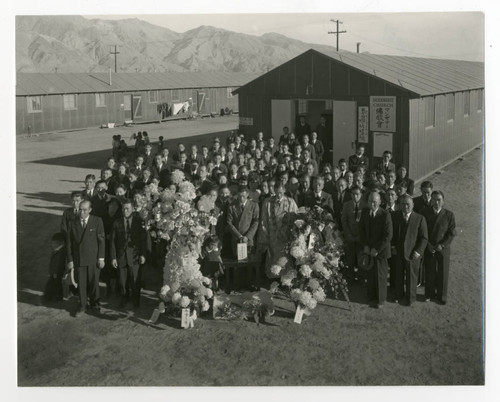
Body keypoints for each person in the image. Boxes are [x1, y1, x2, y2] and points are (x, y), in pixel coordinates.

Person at [66, 200, 106, 315]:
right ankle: (82, 305)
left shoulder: (97, 221)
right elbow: (69, 244)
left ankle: (95, 305)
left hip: (93, 259)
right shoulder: (72, 223)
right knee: (81, 284)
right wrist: (70, 260)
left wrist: (101, 258)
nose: (82, 212)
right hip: (79, 259)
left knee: (94, 283)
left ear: (90, 210)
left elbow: (101, 242)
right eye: (80, 209)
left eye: (84, 210)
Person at [110, 200, 149, 308]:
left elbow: (143, 240)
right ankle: (124, 297)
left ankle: (136, 299)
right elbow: (113, 241)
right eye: (123, 209)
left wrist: (142, 254)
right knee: (122, 280)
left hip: (134, 256)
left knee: (135, 279)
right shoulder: (117, 222)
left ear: (132, 209)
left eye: (127, 208)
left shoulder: (139, 222)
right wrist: (113, 257)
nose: (125, 211)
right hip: (121, 256)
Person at [391, 195, 428, 306]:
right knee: (398, 275)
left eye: (408, 204)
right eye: (403, 204)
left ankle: (410, 298)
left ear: (413, 205)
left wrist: (418, 251)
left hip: (413, 254)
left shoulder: (420, 218)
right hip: (398, 252)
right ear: (399, 205)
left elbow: (424, 238)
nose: (405, 206)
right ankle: (399, 295)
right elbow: (390, 234)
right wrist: (393, 247)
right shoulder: (394, 216)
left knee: (412, 277)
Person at [358, 192, 393, 308]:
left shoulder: (385, 215)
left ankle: (380, 300)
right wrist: (366, 246)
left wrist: (377, 249)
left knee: (380, 276)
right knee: (371, 275)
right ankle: (371, 296)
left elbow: (388, 235)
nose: (371, 204)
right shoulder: (364, 212)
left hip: (380, 251)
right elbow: (361, 230)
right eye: (369, 201)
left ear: (379, 202)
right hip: (369, 250)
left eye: (374, 202)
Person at [423, 190, 456, 305]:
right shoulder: (425, 213)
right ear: (431, 200)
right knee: (429, 271)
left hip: (443, 248)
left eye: (439, 200)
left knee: (443, 272)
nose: (436, 202)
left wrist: (442, 245)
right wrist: (428, 245)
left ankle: (442, 295)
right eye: (434, 199)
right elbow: (423, 232)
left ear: (443, 201)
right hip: (430, 247)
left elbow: (451, 233)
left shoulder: (449, 215)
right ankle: (429, 294)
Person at [258, 182, 298, 274]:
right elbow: (263, 221)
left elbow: (296, 218)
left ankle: (286, 281)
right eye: (277, 192)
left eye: (281, 192)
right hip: (273, 238)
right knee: (274, 261)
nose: (279, 195)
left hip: (286, 237)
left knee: (286, 261)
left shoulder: (290, 202)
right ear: (274, 191)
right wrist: (265, 237)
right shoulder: (267, 202)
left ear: (284, 190)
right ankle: (273, 280)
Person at [226, 186, 260, 259]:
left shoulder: (253, 205)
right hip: (236, 237)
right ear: (237, 194)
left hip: (248, 238)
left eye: (243, 196)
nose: (241, 198)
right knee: (237, 263)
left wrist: (247, 237)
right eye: (240, 196)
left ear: (247, 195)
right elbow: (229, 223)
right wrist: (239, 236)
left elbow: (256, 222)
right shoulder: (232, 206)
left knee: (249, 263)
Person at [341, 185, 364, 284]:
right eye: (353, 194)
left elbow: (366, 223)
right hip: (349, 236)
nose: (355, 196)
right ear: (351, 195)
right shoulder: (346, 205)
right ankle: (350, 278)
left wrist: (360, 236)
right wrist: (348, 234)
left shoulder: (365, 205)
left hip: (360, 237)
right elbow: (344, 221)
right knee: (350, 259)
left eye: (357, 194)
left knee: (361, 258)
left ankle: (361, 278)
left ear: (361, 195)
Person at [42, 232, 67, 304]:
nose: (52, 245)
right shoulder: (56, 250)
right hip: (54, 272)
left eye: (53, 243)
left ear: (59, 243)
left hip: (57, 272)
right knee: (56, 285)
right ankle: (56, 297)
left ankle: (49, 297)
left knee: (53, 285)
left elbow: (59, 264)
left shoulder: (61, 252)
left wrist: (55, 272)